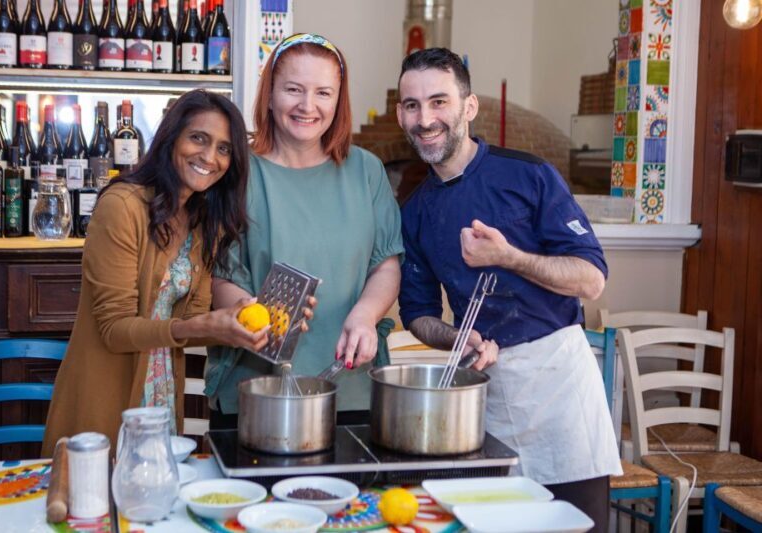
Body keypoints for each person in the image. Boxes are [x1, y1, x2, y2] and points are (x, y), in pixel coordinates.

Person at [395, 48, 621, 531]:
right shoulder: (414, 211)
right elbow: (417, 312)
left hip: (560, 388)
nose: (425, 118)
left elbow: (591, 278)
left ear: (469, 107)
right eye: (412, 105)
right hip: (487, 394)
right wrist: (458, 338)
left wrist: (508, 256)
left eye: (439, 102)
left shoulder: (530, 175)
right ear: (400, 114)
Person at [42, 90, 268, 456]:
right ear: (171, 137)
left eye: (224, 148)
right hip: (106, 399)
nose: (210, 157)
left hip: (161, 400)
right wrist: (203, 327)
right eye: (198, 138)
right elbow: (115, 330)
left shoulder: (201, 221)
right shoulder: (122, 207)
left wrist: (238, 324)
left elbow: (192, 319)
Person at [206, 33, 404, 426]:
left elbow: (386, 264)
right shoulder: (237, 172)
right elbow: (217, 276)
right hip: (255, 391)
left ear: (338, 100)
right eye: (293, 90)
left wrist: (365, 315)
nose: (307, 106)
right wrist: (256, 315)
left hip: (350, 385)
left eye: (323, 93)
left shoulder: (366, 171)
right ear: (269, 93)